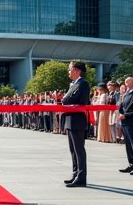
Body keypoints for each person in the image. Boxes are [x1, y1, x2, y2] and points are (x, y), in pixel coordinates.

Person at [62, 60, 90, 188]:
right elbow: (65, 99)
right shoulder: (73, 84)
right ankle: (75, 174)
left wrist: (66, 100)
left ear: (77, 70)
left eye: (70, 69)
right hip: (70, 119)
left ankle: (81, 177)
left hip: (77, 119)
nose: (68, 71)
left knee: (79, 150)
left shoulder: (83, 83)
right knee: (73, 150)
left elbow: (82, 101)